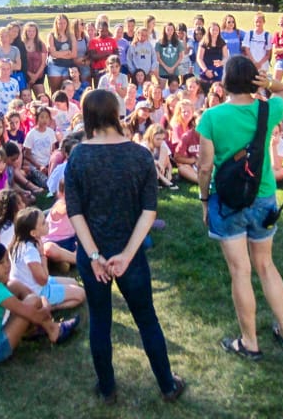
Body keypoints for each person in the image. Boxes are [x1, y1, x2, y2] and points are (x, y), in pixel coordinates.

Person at [66, 89, 186, 403]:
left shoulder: (79, 154)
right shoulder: (139, 154)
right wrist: (126, 255)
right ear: (116, 114)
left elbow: (74, 211)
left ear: (89, 117)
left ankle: (107, 388)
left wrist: (94, 255)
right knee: (146, 318)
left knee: (101, 320)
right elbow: (149, 210)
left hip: (97, 255)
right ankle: (167, 385)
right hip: (126, 254)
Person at [196, 56, 283, 362]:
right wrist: (269, 84)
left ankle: (249, 342)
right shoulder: (267, 108)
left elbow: (204, 167)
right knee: (266, 266)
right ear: (253, 79)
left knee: (241, 271)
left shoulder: (212, 117)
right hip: (263, 195)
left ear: (225, 81)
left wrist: (203, 200)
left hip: (227, 201)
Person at [0, 241, 78, 365]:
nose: (7, 266)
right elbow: (34, 314)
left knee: (15, 285)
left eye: (7, 260)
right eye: (0, 263)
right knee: (34, 301)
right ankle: (53, 331)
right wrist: (46, 305)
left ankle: (34, 329)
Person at [8, 207, 86, 310]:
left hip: (35, 284)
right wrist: (42, 256)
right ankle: (48, 308)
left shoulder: (19, 242)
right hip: (36, 291)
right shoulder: (29, 251)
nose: (48, 223)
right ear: (33, 233)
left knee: (74, 282)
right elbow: (43, 280)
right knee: (81, 294)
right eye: (43, 223)